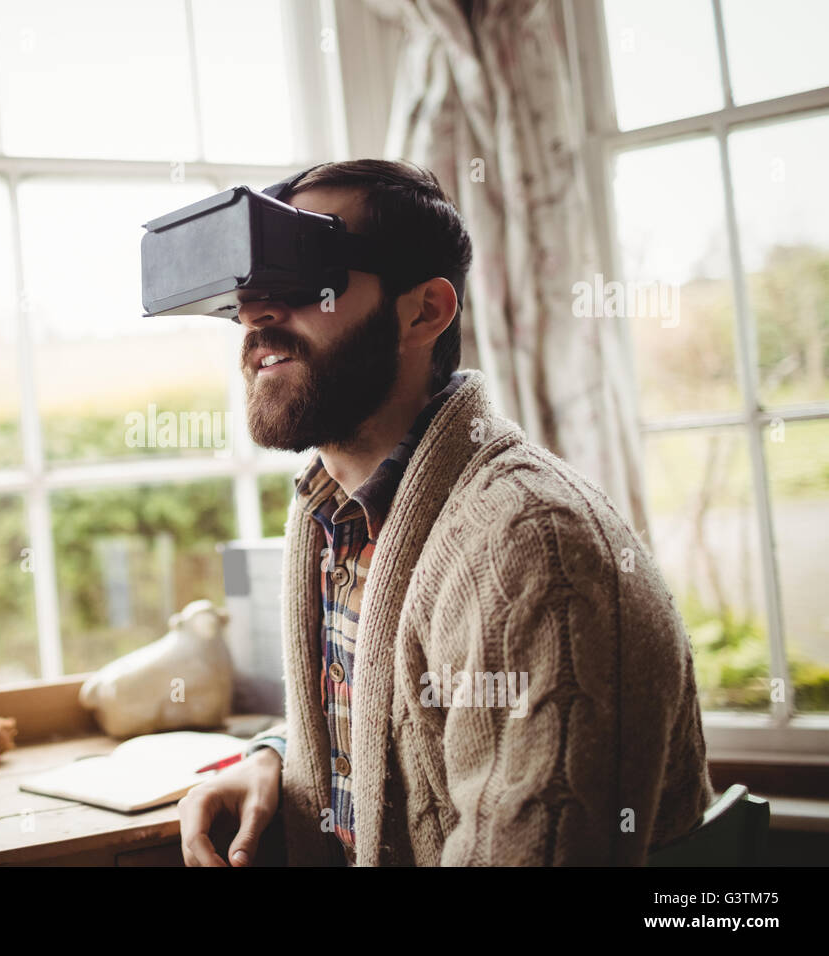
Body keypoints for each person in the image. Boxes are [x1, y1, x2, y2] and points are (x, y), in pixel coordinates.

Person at [177, 159, 714, 867]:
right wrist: (279, 754)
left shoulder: (534, 549)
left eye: (306, 271)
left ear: (424, 310)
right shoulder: (335, 513)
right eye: (250, 286)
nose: (255, 312)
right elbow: (393, 716)